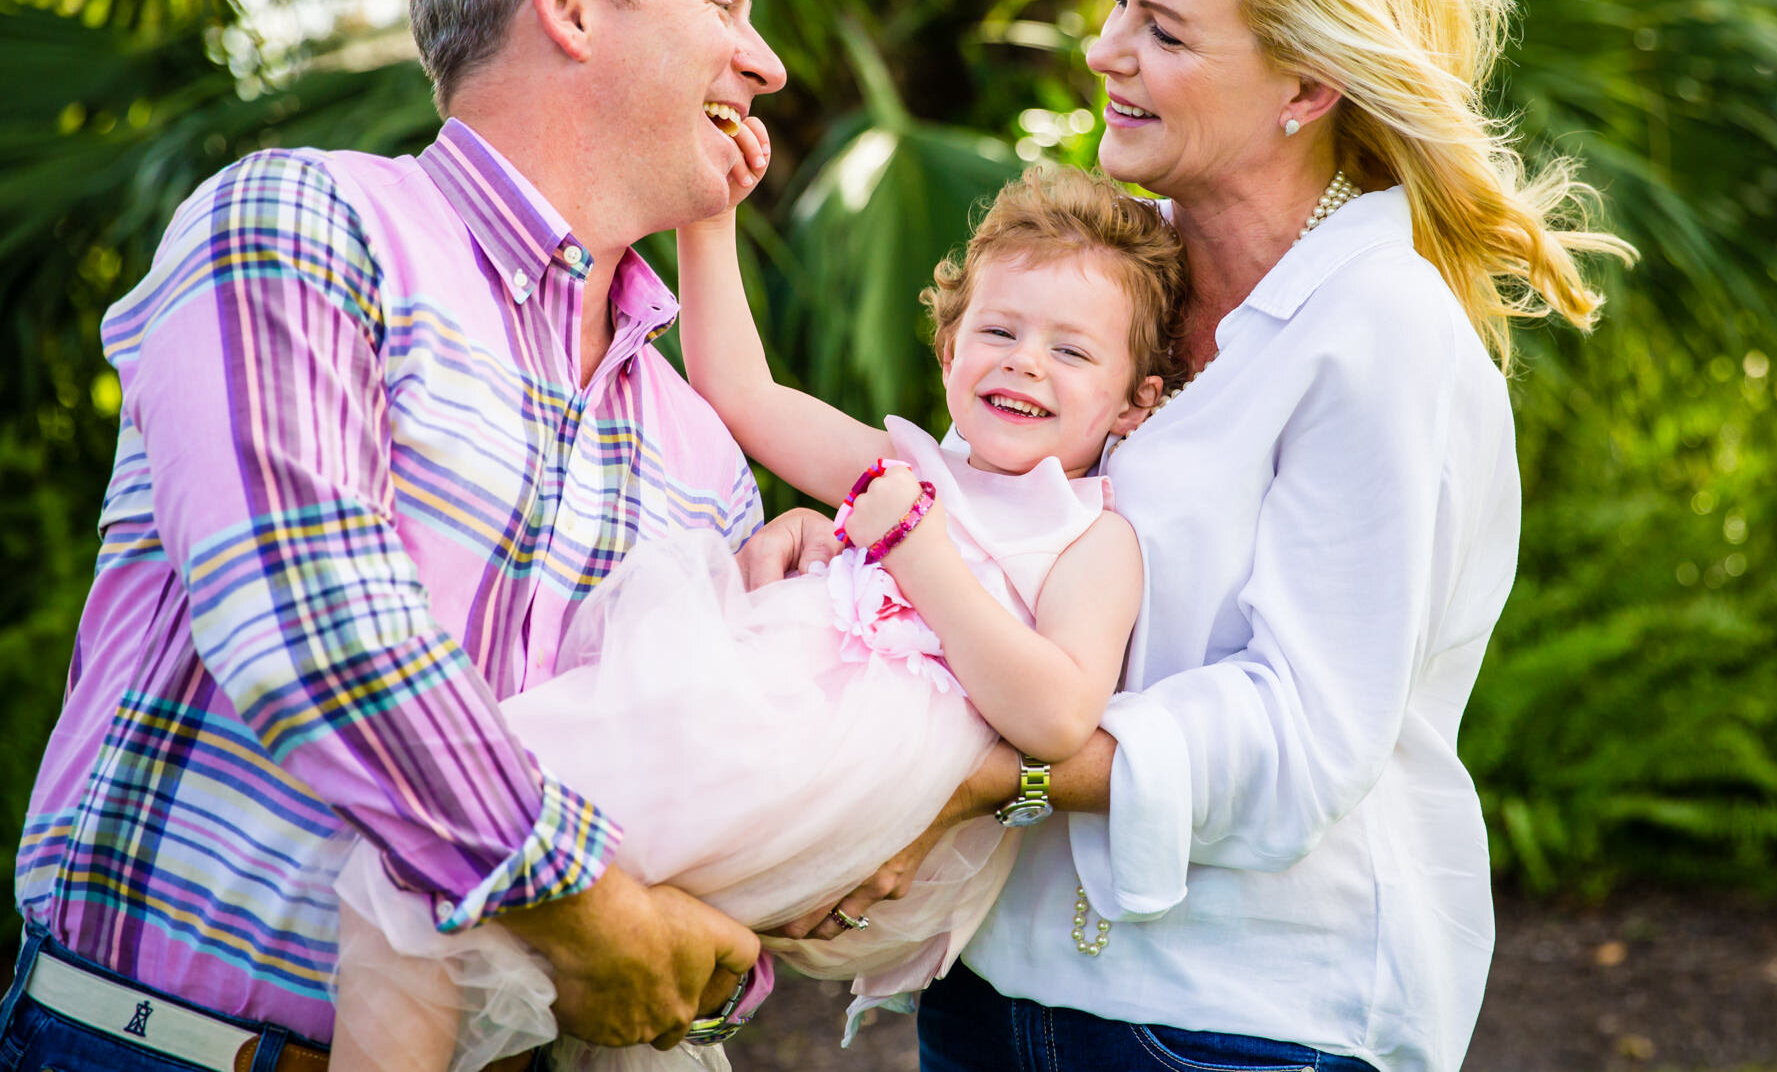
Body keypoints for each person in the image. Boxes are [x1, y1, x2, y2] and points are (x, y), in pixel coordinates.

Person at [792, 0, 1634, 1072]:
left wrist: (975, 779)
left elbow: (1297, 737)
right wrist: (842, 555)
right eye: (1117, 4)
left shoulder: (1378, 331)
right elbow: (1002, 548)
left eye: (1163, 30)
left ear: (1305, 87)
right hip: (994, 988)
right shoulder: (1105, 273)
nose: (1103, 51)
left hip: (1237, 1022)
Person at [0, 0, 848, 1070]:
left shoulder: (704, 450)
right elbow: (307, 617)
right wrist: (583, 904)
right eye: (722, 7)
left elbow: (682, 804)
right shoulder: (301, 222)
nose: (764, 63)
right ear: (565, 6)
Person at [328, 165, 1190, 1071]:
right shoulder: (906, 465)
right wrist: (711, 223)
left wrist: (919, 552)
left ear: (1137, 399)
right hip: (756, 721)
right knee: (452, 869)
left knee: (432, 861)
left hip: (855, 769)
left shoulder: (1090, 536)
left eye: (1072, 350)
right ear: (948, 352)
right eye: (999, 329)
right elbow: (743, 394)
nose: (1023, 360)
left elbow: (1056, 716)